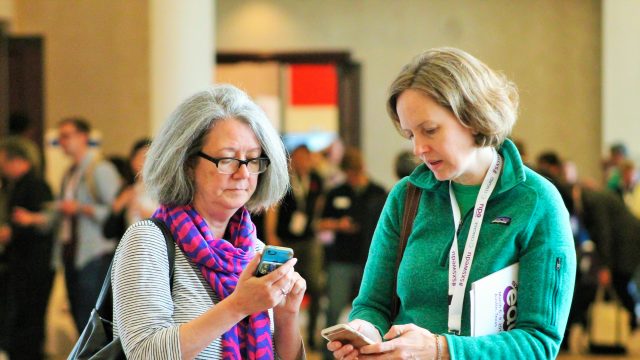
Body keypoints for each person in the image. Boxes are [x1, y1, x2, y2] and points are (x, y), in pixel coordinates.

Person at [327, 47, 576, 359]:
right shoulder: (407, 197)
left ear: (473, 116)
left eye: (430, 130)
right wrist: (365, 330)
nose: (418, 148)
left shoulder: (537, 202)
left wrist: (441, 349)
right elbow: (373, 304)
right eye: (410, 135)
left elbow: (539, 343)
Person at [112, 84, 306, 359]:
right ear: (187, 163)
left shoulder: (254, 251)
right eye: (227, 159)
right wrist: (238, 306)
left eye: (252, 160)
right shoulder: (149, 241)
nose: (243, 174)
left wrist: (287, 314)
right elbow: (145, 352)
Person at [317, 147, 387, 359]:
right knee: (334, 309)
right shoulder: (336, 192)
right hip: (342, 259)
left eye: (355, 172)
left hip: (370, 261)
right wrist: (339, 224)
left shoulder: (378, 192)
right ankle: (326, 354)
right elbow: (320, 223)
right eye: (349, 173)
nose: (353, 177)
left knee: (370, 312)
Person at [265, 144, 325, 349]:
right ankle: (279, 335)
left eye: (305, 157)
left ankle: (311, 336)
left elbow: (319, 204)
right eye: (297, 157)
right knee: (282, 286)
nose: (302, 161)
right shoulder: (285, 180)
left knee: (315, 287)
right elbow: (273, 207)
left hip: (309, 240)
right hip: (286, 240)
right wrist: (271, 234)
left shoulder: (315, 179)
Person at [0, 139, 54, 360]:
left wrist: (14, 230)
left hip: (34, 264)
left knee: (29, 316)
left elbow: (47, 222)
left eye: (3, 160)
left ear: (17, 160)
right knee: (20, 315)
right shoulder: (16, 186)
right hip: (21, 263)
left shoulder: (36, 185)